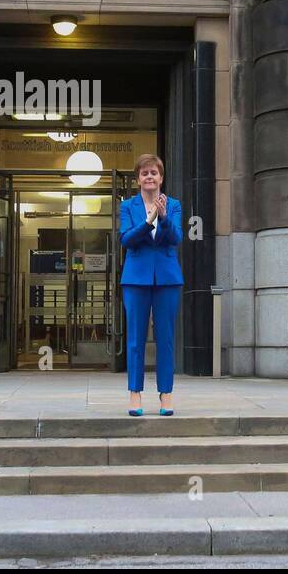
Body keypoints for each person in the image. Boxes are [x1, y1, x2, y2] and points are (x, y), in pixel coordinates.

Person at [118, 153, 182, 416]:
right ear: (138, 179)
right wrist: (148, 221)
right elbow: (126, 240)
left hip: (167, 278)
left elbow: (176, 237)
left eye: (153, 173)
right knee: (135, 339)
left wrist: (164, 218)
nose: (149, 177)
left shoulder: (174, 205)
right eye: (144, 173)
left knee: (165, 339)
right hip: (135, 279)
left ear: (161, 178)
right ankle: (135, 394)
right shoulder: (128, 207)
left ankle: (166, 395)